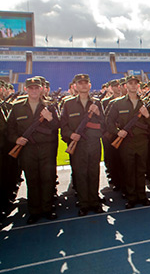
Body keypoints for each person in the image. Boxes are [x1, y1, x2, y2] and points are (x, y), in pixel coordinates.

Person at [7, 77, 60, 224]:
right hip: (28, 149)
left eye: (37, 88)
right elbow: (10, 128)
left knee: (48, 179)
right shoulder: (17, 107)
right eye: (31, 88)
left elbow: (58, 126)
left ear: (42, 89)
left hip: (46, 148)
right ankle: (35, 211)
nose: (34, 90)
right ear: (26, 89)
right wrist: (16, 139)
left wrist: (50, 119)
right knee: (32, 180)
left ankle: (47, 209)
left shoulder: (50, 106)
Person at [60, 74, 104, 216]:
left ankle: (94, 201)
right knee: (80, 174)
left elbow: (105, 125)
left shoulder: (97, 103)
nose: (83, 85)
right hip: (78, 145)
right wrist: (71, 135)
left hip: (94, 144)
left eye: (86, 83)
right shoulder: (68, 103)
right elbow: (63, 125)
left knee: (93, 173)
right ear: (75, 86)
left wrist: (98, 113)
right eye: (80, 83)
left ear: (90, 85)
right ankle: (84, 203)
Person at [106, 75, 150, 208]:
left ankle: (142, 195)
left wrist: (147, 115)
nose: (133, 85)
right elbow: (108, 122)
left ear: (138, 86)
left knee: (141, 169)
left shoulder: (144, 103)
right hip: (126, 142)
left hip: (142, 141)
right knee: (129, 170)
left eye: (135, 83)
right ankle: (132, 197)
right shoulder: (118, 103)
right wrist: (117, 132)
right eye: (130, 83)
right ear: (125, 86)